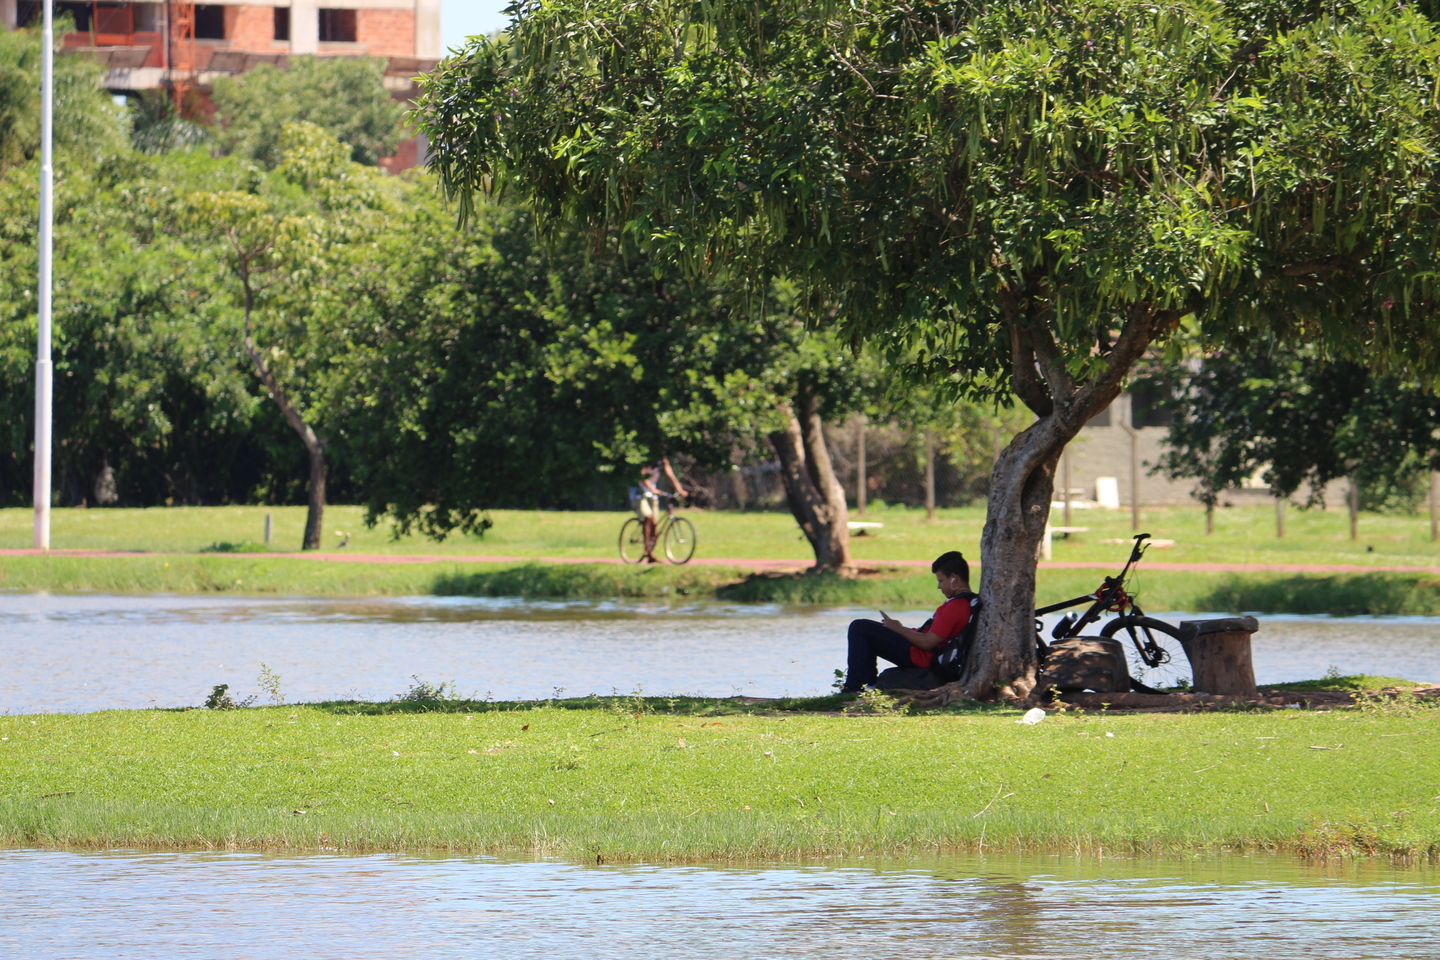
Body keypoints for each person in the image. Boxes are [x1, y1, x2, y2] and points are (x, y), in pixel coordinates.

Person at [840, 551, 974, 693]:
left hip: (921, 657)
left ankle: (856, 687)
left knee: (860, 628)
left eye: (941, 581)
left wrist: (899, 629)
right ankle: (863, 685)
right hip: (919, 651)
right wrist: (901, 629)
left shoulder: (956, 607)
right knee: (867, 628)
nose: (939, 587)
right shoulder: (967, 602)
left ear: (954, 578)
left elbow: (928, 642)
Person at [632, 456, 687, 563]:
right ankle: (646, 549)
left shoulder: (662, 462)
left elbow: (671, 476)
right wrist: (652, 489)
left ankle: (650, 553)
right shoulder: (644, 460)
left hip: (652, 494)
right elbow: (642, 476)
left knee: (655, 523)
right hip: (640, 494)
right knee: (648, 517)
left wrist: (680, 490)